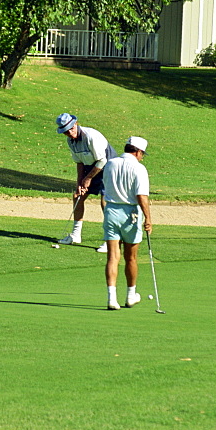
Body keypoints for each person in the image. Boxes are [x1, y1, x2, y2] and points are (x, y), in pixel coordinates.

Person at [101, 136, 152, 310]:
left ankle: (111, 299)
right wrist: (149, 218)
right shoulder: (139, 168)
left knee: (113, 257)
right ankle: (131, 296)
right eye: (142, 154)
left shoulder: (110, 163)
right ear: (138, 152)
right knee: (131, 257)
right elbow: (141, 196)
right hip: (131, 214)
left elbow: (106, 186)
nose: (142, 157)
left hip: (111, 211)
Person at [55, 112, 117, 252]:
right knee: (78, 196)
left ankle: (110, 240)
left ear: (76, 124)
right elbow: (79, 163)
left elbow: (102, 160)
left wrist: (88, 178)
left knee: (105, 202)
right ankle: (75, 235)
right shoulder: (70, 141)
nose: (69, 133)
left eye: (71, 129)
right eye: (65, 131)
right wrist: (79, 183)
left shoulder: (91, 136)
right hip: (91, 168)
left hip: (108, 167)